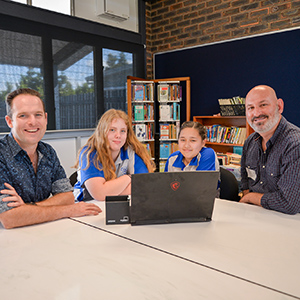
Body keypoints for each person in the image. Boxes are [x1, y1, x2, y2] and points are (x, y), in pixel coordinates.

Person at [0, 88, 101, 229]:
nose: (33, 122)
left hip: (43, 232)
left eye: (38, 115)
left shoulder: (47, 152)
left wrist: (27, 208)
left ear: (46, 118)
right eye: (23, 116)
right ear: (9, 121)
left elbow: (67, 197)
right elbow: (10, 218)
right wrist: (68, 210)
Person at [240, 85, 300, 214]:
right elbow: (245, 181)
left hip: (288, 221)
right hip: (255, 215)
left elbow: (289, 204)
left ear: (279, 106)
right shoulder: (250, 142)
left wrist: (250, 198)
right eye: (250, 108)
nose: (256, 113)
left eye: (263, 105)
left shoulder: (295, 145)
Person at [73, 109, 155, 201]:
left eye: (123, 131)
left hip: (117, 204)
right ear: (102, 131)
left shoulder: (131, 152)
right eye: (112, 130)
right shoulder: (90, 153)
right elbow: (99, 194)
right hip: (87, 205)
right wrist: (128, 178)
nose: (118, 135)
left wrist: (108, 191)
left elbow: (144, 185)